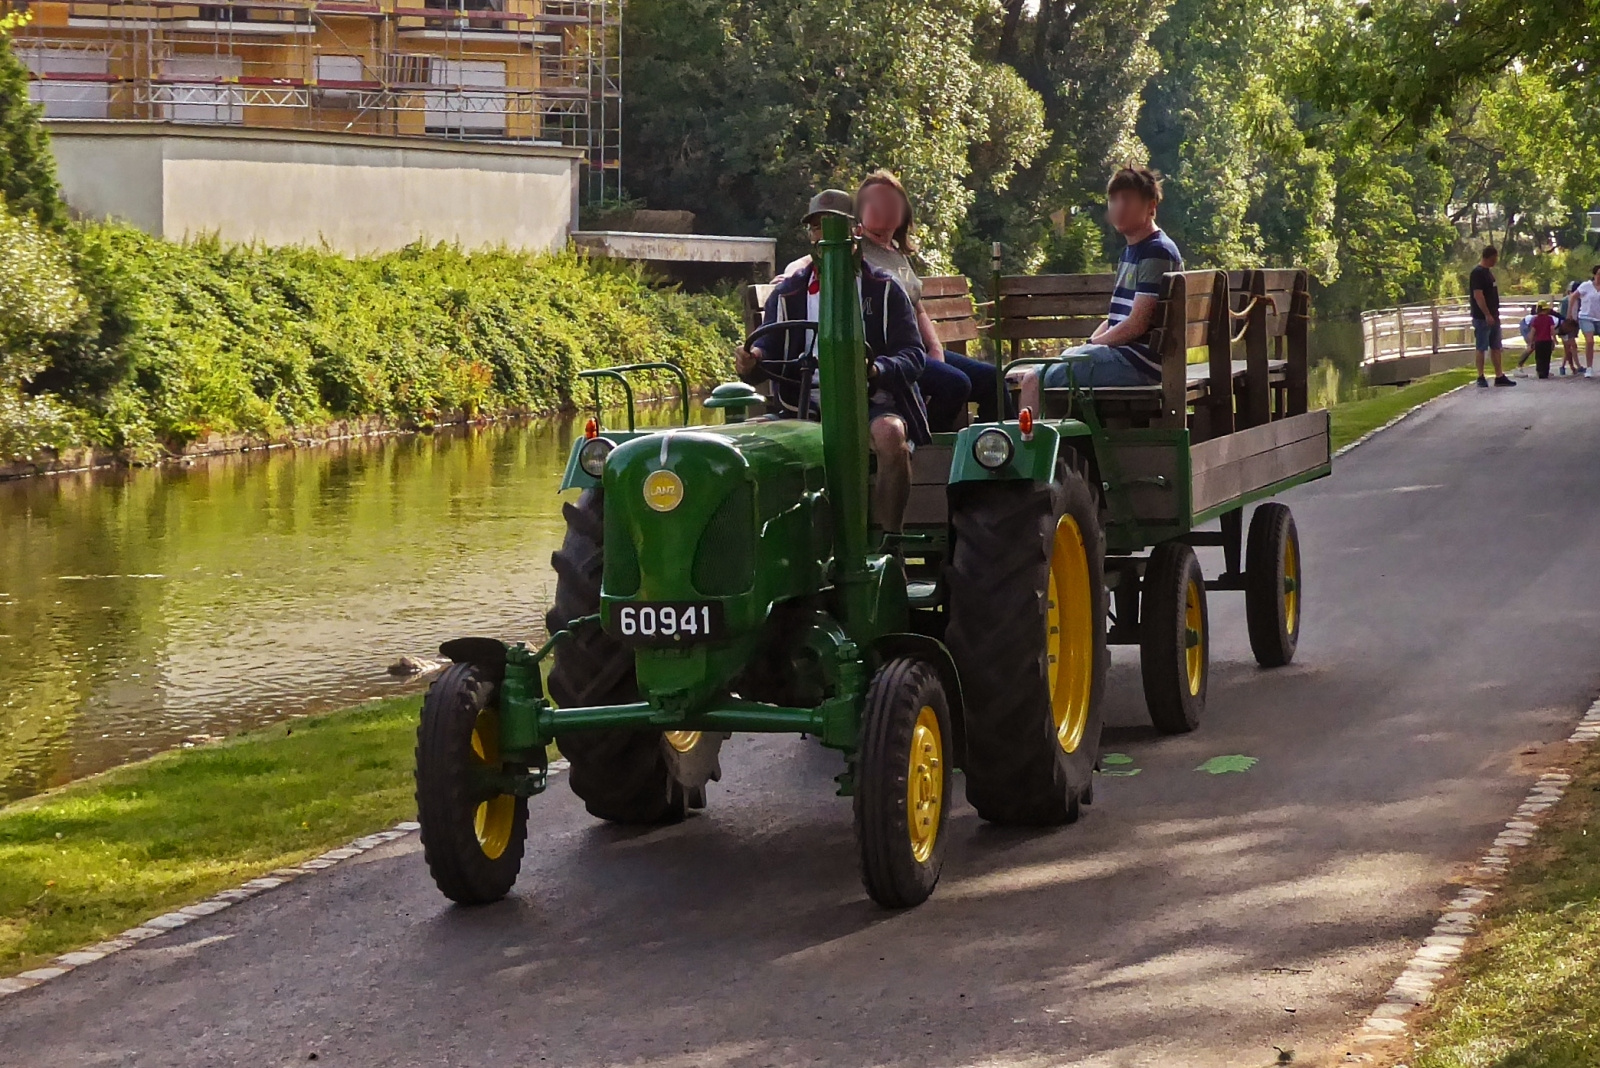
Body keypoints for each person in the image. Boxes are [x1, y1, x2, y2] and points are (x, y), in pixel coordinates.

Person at [735, 189, 929, 533]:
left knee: (890, 434)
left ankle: (891, 538)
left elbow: (913, 355)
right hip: (802, 405)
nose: (823, 235)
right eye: (815, 227)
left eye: (832, 225)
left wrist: (876, 369)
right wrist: (753, 361)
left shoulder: (884, 289)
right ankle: (775, 541)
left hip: (870, 402)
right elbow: (767, 345)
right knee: (748, 441)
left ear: (855, 230)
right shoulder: (788, 292)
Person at [853, 171, 1004, 429]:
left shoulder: (897, 253)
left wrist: (935, 350)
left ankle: (997, 447)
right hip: (893, 354)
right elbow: (813, 258)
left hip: (919, 350)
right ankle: (925, 443)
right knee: (956, 384)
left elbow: (918, 308)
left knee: (993, 379)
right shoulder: (856, 249)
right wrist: (791, 272)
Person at [1042, 164, 1183, 390]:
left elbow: (1136, 325)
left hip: (1140, 364)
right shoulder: (1130, 252)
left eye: (1127, 199)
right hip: (1126, 357)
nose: (1118, 206)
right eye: (1113, 199)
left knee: (1038, 378)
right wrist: (1089, 344)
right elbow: (1116, 320)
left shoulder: (1157, 251)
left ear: (1151, 206)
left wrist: (1092, 345)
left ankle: (1028, 414)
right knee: (1040, 372)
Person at [1469, 247, 1515, 387]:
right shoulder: (1477, 273)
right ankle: (1480, 376)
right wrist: (1487, 314)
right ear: (1489, 257)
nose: (1495, 261)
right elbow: (1478, 295)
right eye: (1494, 258)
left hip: (1494, 315)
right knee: (1481, 346)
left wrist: (1494, 314)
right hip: (1482, 317)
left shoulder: (1488, 273)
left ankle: (1499, 375)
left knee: (1496, 346)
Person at [1576, 265, 1600, 376]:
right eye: (1599, 274)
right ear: (1594, 275)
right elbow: (1573, 297)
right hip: (1586, 317)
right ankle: (1589, 368)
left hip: (1598, 318)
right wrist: (1570, 314)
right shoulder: (1586, 286)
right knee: (1590, 341)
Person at [1527, 301, 1556, 379]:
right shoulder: (1549, 319)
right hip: (1547, 341)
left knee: (1539, 357)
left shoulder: (1536, 319)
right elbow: (1552, 330)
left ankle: (1540, 371)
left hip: (1538, 341)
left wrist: (1531, 342)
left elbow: (1533, 331)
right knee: (1547, 357)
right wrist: (1554, 339)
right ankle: (1545, 372)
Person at [1561, 280, 1582, 375]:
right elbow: (1563, 314)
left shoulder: (1578, 300)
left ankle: (1563, 366)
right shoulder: (1566, 300)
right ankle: (1578, 366)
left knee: (1568, 347)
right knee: (1573, 346)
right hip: (1567, 326)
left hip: (1573, 325)